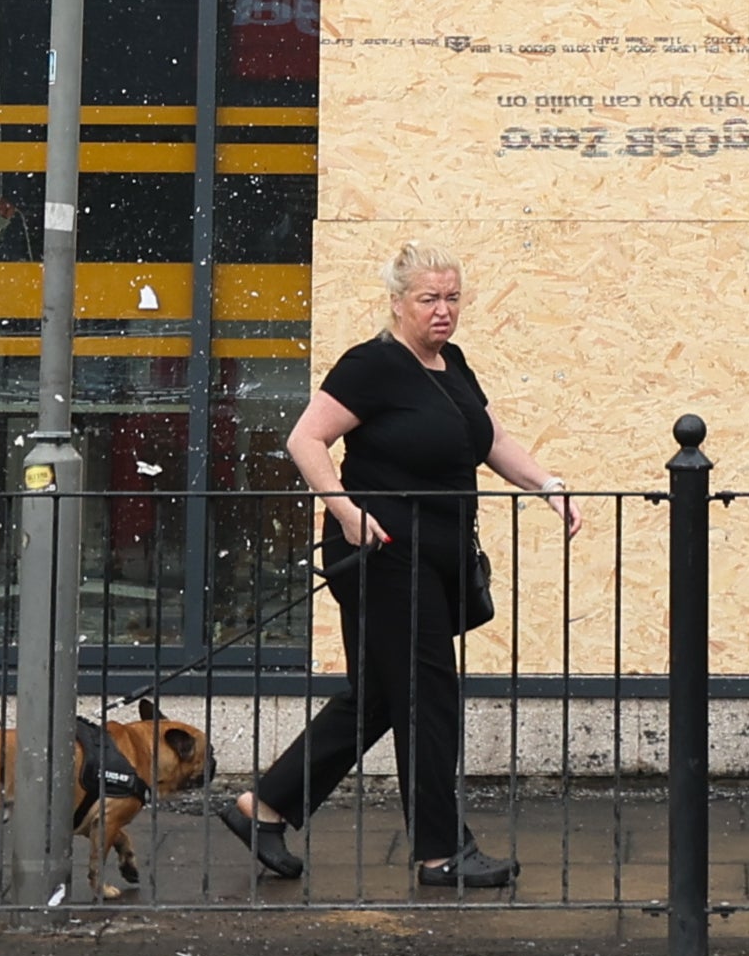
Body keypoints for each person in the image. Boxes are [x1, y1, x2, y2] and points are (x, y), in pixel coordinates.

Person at [217, 240, 576, 888]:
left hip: (433, 557)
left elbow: (489, 439)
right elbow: (306, 438)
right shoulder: (372, 365)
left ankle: (264, 806)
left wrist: (546, 485)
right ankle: (441, 853)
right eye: (428, 299)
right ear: (397, 302)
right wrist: (347, 511)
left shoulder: (452, 364)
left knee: (381, 697)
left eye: (452, 297)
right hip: (382, 554)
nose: (443, 311)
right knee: (429, 696)